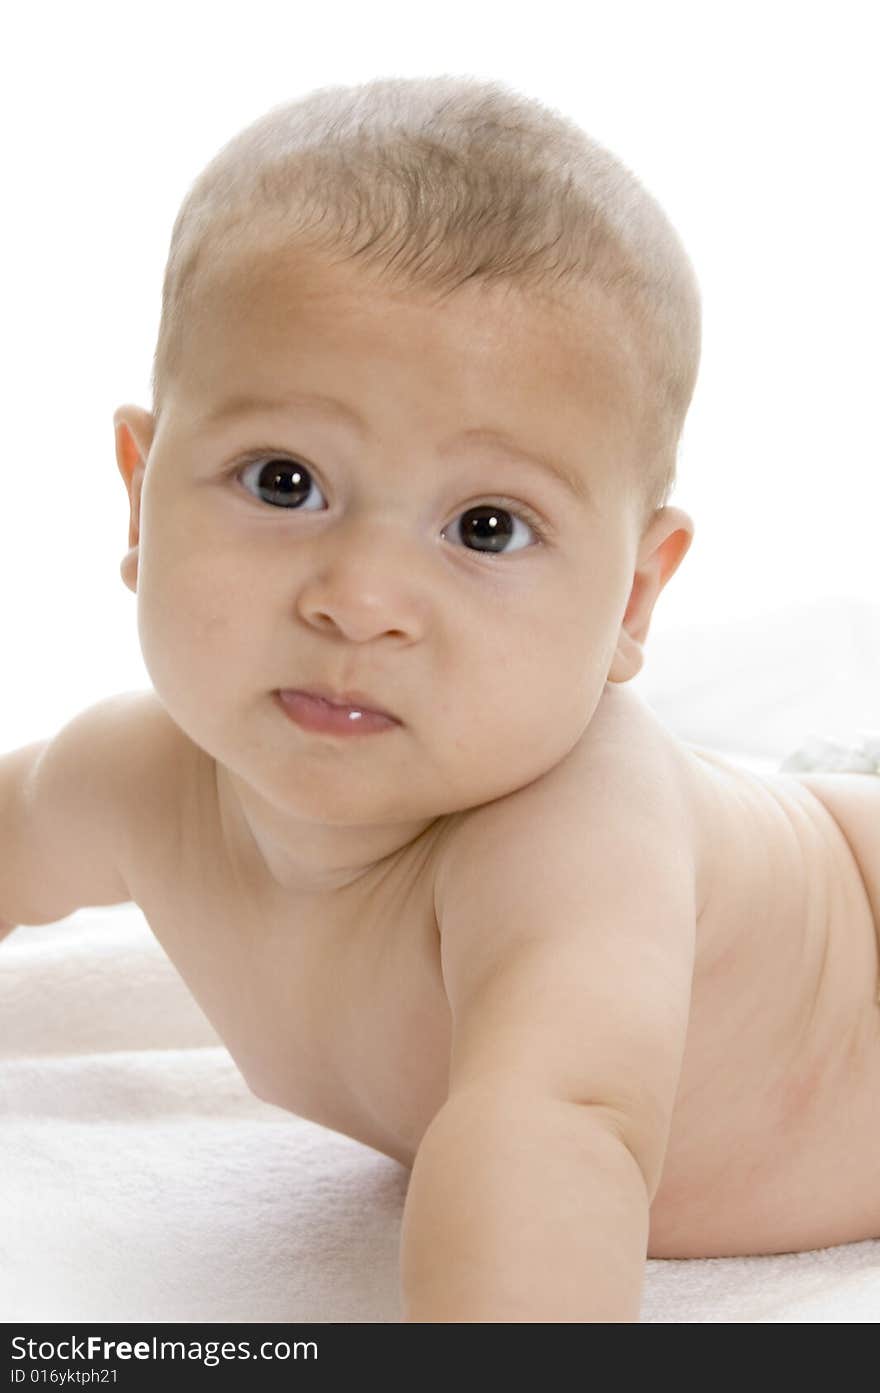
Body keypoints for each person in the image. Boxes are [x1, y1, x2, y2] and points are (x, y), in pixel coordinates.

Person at [2, 75, 878, 1323]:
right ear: (140, 499)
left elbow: (551, 1139)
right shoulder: (130, 780)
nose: (361, 600)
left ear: (631, 601)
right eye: (284, 479)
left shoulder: (567, 845)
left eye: (484, 525)